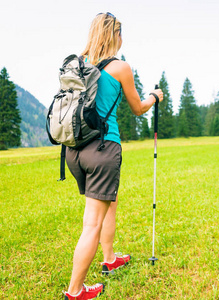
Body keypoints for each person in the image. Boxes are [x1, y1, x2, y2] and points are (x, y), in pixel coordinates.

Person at [63, 12, 163, 300]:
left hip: (74, 150)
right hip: (103, 149)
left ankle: (110, 258)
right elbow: (138, 108)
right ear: (115, 34)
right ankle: (75, 291)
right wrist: (154, 97)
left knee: (110, 202)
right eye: (121, 33)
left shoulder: (78, 64)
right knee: (92, 223)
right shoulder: (120, 67)